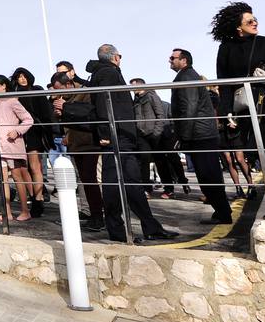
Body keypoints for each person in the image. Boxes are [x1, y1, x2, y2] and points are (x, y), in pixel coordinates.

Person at [211, 2, 265, 221]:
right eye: (249, 21)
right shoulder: (226, 48)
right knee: (258, 155)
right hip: (245, 108)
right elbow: (224, 82)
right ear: (238, 27)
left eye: (255, 19)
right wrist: (225, 112)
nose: (255, 22)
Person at [86, 44, 178, 244]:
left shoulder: (103, 73)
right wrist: (106, 132)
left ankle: (148, 226)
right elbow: (104, 104)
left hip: (119, 136)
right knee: (116, 186)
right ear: (115, 57)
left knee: (129, 184)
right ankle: (120, 231)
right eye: (120, 55)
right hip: (117, 136)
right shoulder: (108, 73)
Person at [169, 49, 232, 224]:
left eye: (172, 58)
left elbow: (189, 108)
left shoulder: (186, 77)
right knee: (208, 175)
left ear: (184, 60)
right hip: (201, 133)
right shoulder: (187, 76)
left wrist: (184, 137)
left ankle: (223, 213)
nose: (170, 61)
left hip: (199, 135)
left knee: (208, 176)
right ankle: (221, 211)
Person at [49, 72, 105, 230]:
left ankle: (98, 216)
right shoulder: (68, 98)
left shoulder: (85, 93)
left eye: (60, 89)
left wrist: (66, 109)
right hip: (75, 144)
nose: (59, 94)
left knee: (91, 180)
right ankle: (94, 214)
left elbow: (90, 115)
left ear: (68, 84)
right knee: (85, 181)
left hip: (89, 144)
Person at [0, 79, 35, 222]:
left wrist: (17, 131)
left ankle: (25, 210)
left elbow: (28, 119)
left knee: (17, 178)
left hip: (12, 144)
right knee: (3, 180)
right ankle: (7, 212)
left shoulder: (13, 101)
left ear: (4, 86)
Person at [9, 67, 51, 216]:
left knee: (35, 167)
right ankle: (34, 196)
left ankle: (38, 199)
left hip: (33, 132)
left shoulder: (36, 89)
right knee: (23, 168)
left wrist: (49, 133)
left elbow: (46, 113)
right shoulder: (13, 94)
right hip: (18, 133)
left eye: (24, 76)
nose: (22, 79)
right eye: (19, 76)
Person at [130, 78, 166, 191]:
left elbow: (160, 115)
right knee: (144, 161)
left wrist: (156, 133)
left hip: (154, 134)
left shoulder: (152, 96)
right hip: (142, 135)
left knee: (160, 161)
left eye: (133, 86)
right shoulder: (135, 100)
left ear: (140, 85)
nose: (131, 89)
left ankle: (169, 187)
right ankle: (146, 188)